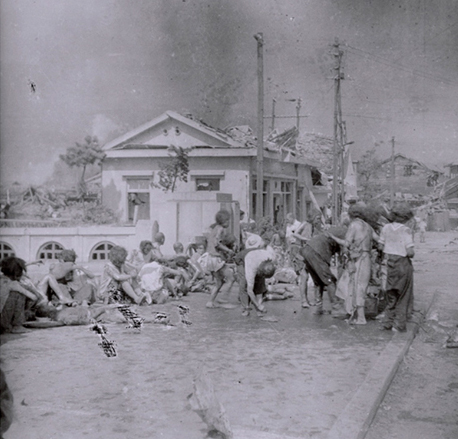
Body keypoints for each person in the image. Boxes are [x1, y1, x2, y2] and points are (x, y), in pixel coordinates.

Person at [328, 204, 378, 324]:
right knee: (361, 286)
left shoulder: (354, 225)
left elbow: (347, 243)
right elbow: (379, 239)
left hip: (358, 260)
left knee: (355, 286)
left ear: (351, 215)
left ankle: (361, 318)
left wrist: (333, 237)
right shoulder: (368, 226)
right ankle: (354, 313)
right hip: (367, 258)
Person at [295, 226, 348, 315]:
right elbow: (344, 249)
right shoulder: (345, 232)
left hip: (307, 250)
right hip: (317, 252)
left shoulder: (336, 229)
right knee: (330, 280)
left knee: (318, 282)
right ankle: (336, 308)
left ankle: (318, 307)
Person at [378, 205, 415, 332]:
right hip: (402, 263)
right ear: (405, 218)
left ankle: (387, 322)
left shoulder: (386, 227)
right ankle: (399, 325)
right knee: (403, 295)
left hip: (389, 263)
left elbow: (380, 246)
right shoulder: (406, 230)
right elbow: (410, 252)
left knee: (391, 295)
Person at [199, 210, 236, 308]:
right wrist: (228, 250)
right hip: (215, 258)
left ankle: (210, 302)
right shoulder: (220, 229)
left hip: (209, 258)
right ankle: (223, 300)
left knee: (219, 282)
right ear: (223, 221)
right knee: (231, 278)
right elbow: (217, 243)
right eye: (227, 220)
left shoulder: (214, 228)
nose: (229, 222)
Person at [234, 241, 277, 316]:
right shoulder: (251, 265)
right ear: (259, 269)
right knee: (244, 284)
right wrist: (258, 305)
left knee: (260, 284)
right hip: (242, 258)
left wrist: (259, 306)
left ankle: (258, 310)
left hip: (256, 254)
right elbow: (249, 290)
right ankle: (246, 308)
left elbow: (260, 288)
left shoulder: (271, 258)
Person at [1, 257, 41, 333]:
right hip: (2, 322)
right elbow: (34, 297)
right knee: (19, 294)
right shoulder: (14, 284)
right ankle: (17, 325)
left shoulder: (2, 279)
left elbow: (13, 265)